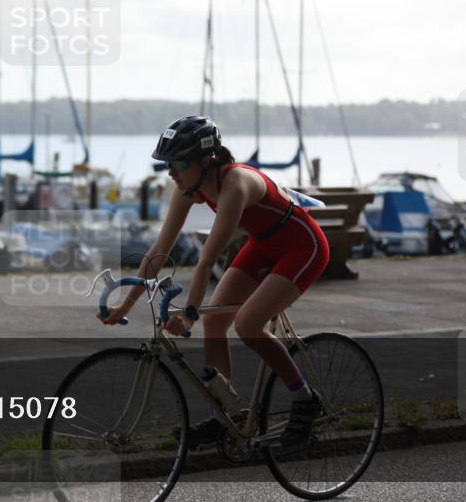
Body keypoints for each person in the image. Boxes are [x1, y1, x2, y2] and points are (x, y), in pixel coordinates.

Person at [99, 116, 330, 447]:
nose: (171, 173)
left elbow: (207, 260)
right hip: (264, 244)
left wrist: (190, 312)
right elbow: (159, 250)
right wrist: (125, 304)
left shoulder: (235, 184)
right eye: (168, 165)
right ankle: (224, 416)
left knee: (247, 323)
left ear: (206, 160)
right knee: (216, 321)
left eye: (179, 163)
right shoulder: (188, 188)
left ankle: (305, 399)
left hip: (303, 245)